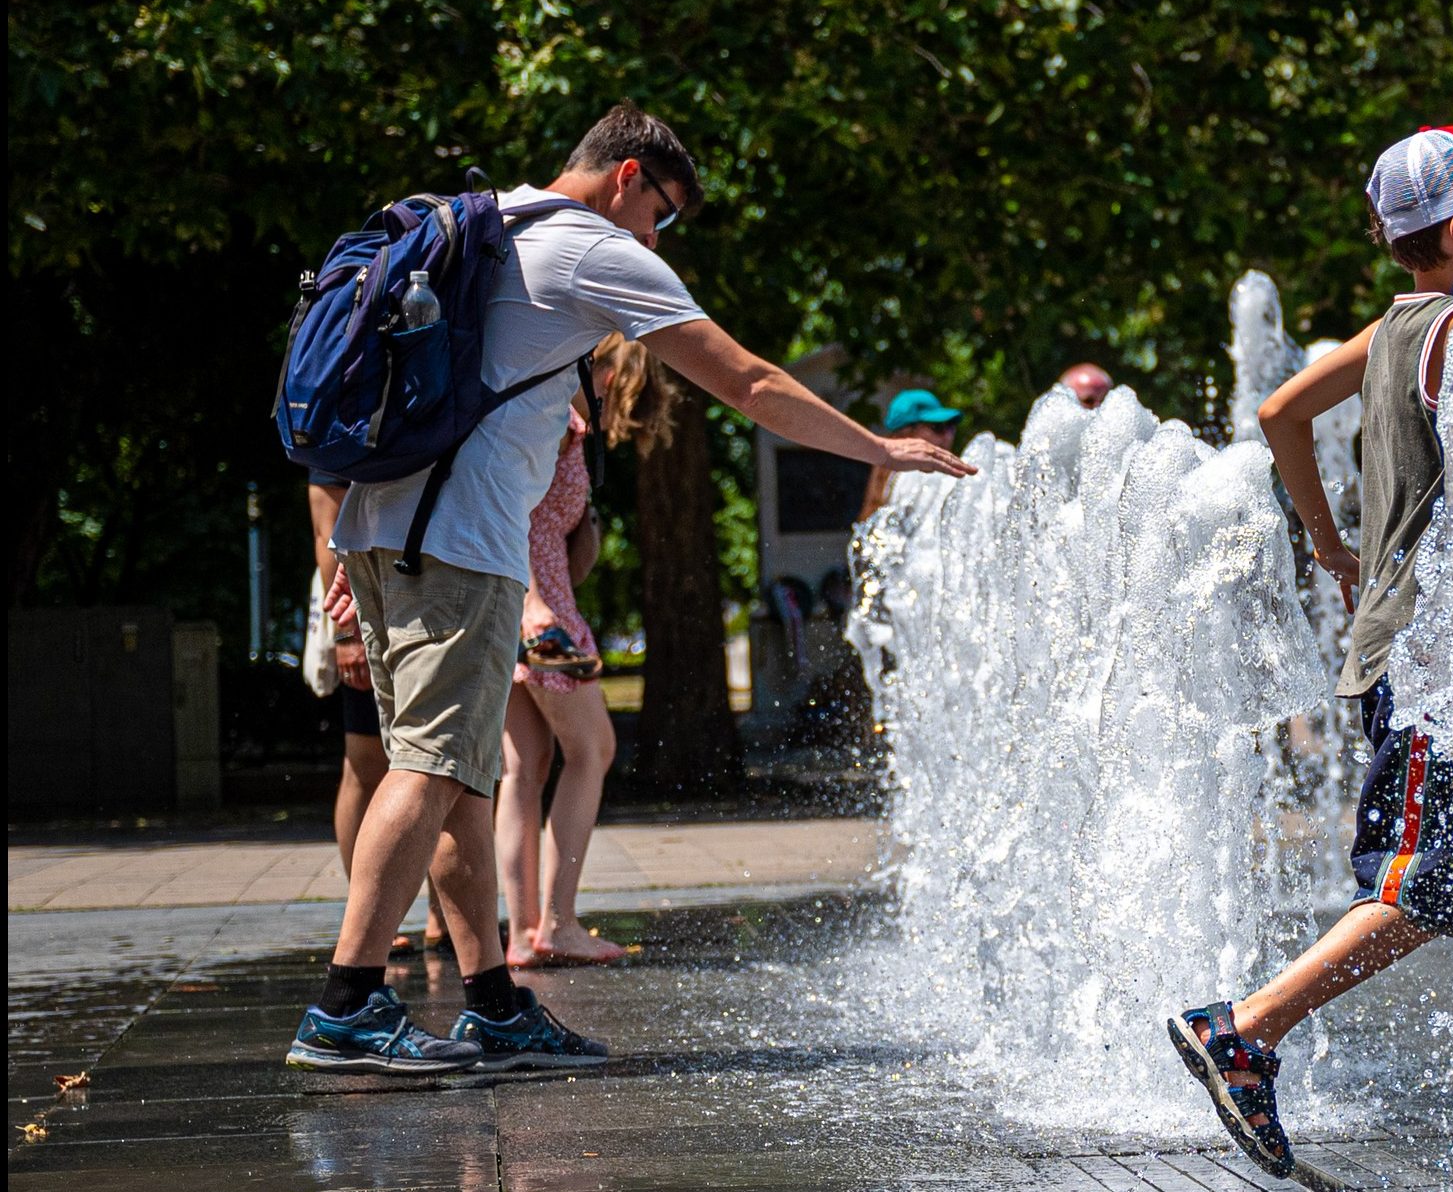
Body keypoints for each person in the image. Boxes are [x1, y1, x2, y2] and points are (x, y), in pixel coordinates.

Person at [293, 103, 973, 1075]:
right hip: (459, 541)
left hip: (390, 529)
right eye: (662, 215)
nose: (658, 239)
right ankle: (347, 1001)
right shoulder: (588, 246)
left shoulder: (498, 218)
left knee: (457, 778)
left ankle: (491, 999)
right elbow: (748, 381)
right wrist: (875, 449)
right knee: (438, 770)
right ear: (627, 179)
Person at [1171, 125, 1453, 1175]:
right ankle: (1247, 1028)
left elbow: (1279, 411)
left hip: (1443, 652)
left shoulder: (1397, 326)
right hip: (1435, 661)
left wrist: (1329, 543)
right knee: (1421, 885)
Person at [493, 337, 649, 968]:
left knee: (524, 767)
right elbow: (514, 508)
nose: (616, 397)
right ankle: (558, 922)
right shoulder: (559, 417)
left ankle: (522, 931)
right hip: (539, 609)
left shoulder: (552, 415)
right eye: (618, 383)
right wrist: (537, 605)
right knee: (594, 750)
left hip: (513, 604)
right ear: (602, 369)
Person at [308, 477, 407, 947]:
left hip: (411, 598)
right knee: (367, 767)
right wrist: (346, 635)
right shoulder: (335, 419)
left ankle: (439, 920)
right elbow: (328, 530)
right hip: (368, 610)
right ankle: (364, 916)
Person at [860, 387, 962, 521]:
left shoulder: (888, 476)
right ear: (906, 433)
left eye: (950, 426)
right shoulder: (920, 474)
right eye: (937, 428)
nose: (948, 436)